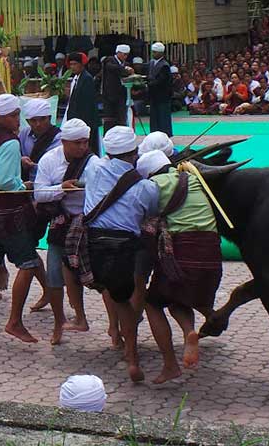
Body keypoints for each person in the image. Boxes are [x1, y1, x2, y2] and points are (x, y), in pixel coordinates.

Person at [80, 126, 160, 382]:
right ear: (134, 153)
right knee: (125, 298)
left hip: (92, 247)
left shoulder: (92, 169)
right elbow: (151, 212)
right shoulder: (146, 186)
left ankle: (114, 332)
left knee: (111, 290)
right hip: (124, 247)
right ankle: (132, 357)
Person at [136, 149, 222, 384]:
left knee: (152, 303)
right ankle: (188, 333)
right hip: (212, 253)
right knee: (177, 300)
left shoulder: (151, 187)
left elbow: (141, 216)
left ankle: (170, 365)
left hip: (183, 254)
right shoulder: (193, 178)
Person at [0, 94, 47, 343]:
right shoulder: (9, 142)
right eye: (13, 115)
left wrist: (18, 163)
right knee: (27, 264)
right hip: (7, 213)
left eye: (18, 114)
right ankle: (15, 321)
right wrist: (24, 184)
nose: (18, 120)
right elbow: (4, 181)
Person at [34, 119, 97, 345]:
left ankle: (92, 320)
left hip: (88, 224)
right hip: (61, 222)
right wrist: (61, 188)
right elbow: (39, 194)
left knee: (97, 277)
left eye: (85, 142)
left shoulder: (93, 162)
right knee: (53, 276)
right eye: (77, 143)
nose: (82, 147)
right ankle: (59, 322)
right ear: (64, 142)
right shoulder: (49, 160)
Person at [64, 53, 100, 154]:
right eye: (71, 64)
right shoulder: (77, 78)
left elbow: (87, 104)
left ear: (81, 64)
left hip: (86, 120)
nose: (72, 67)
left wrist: (82, 124)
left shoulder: (86, 78)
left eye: (75, 64)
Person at [19, 98, 61, 182]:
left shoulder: (59, 138)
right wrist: (20, 160)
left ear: (49, 118)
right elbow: (16, 154)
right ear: (27, 121)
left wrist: (35, 166)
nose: (38, 124)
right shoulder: (24, 134)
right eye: (33, 120)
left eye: (42, 119)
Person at [101, 45, 133, 128]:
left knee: (121, 118)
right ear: (118, 53)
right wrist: (125, 69)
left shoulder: (126, 64)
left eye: (127, 55)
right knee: (109, 119)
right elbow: (112, 68)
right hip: (109, 95)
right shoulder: (110, 60)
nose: (125, 57)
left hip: (121, 95)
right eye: (124, 54)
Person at [147, 43, 173, 135]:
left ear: (160, 53)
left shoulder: (164, 65)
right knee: (154, 116)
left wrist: (147, 84)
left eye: (155, 52)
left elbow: (161, 81)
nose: (153, 54)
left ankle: (165, 135)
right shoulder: (151, 63)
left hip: (162, 95)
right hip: (153, 95)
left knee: (163, 116)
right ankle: (154, 134)